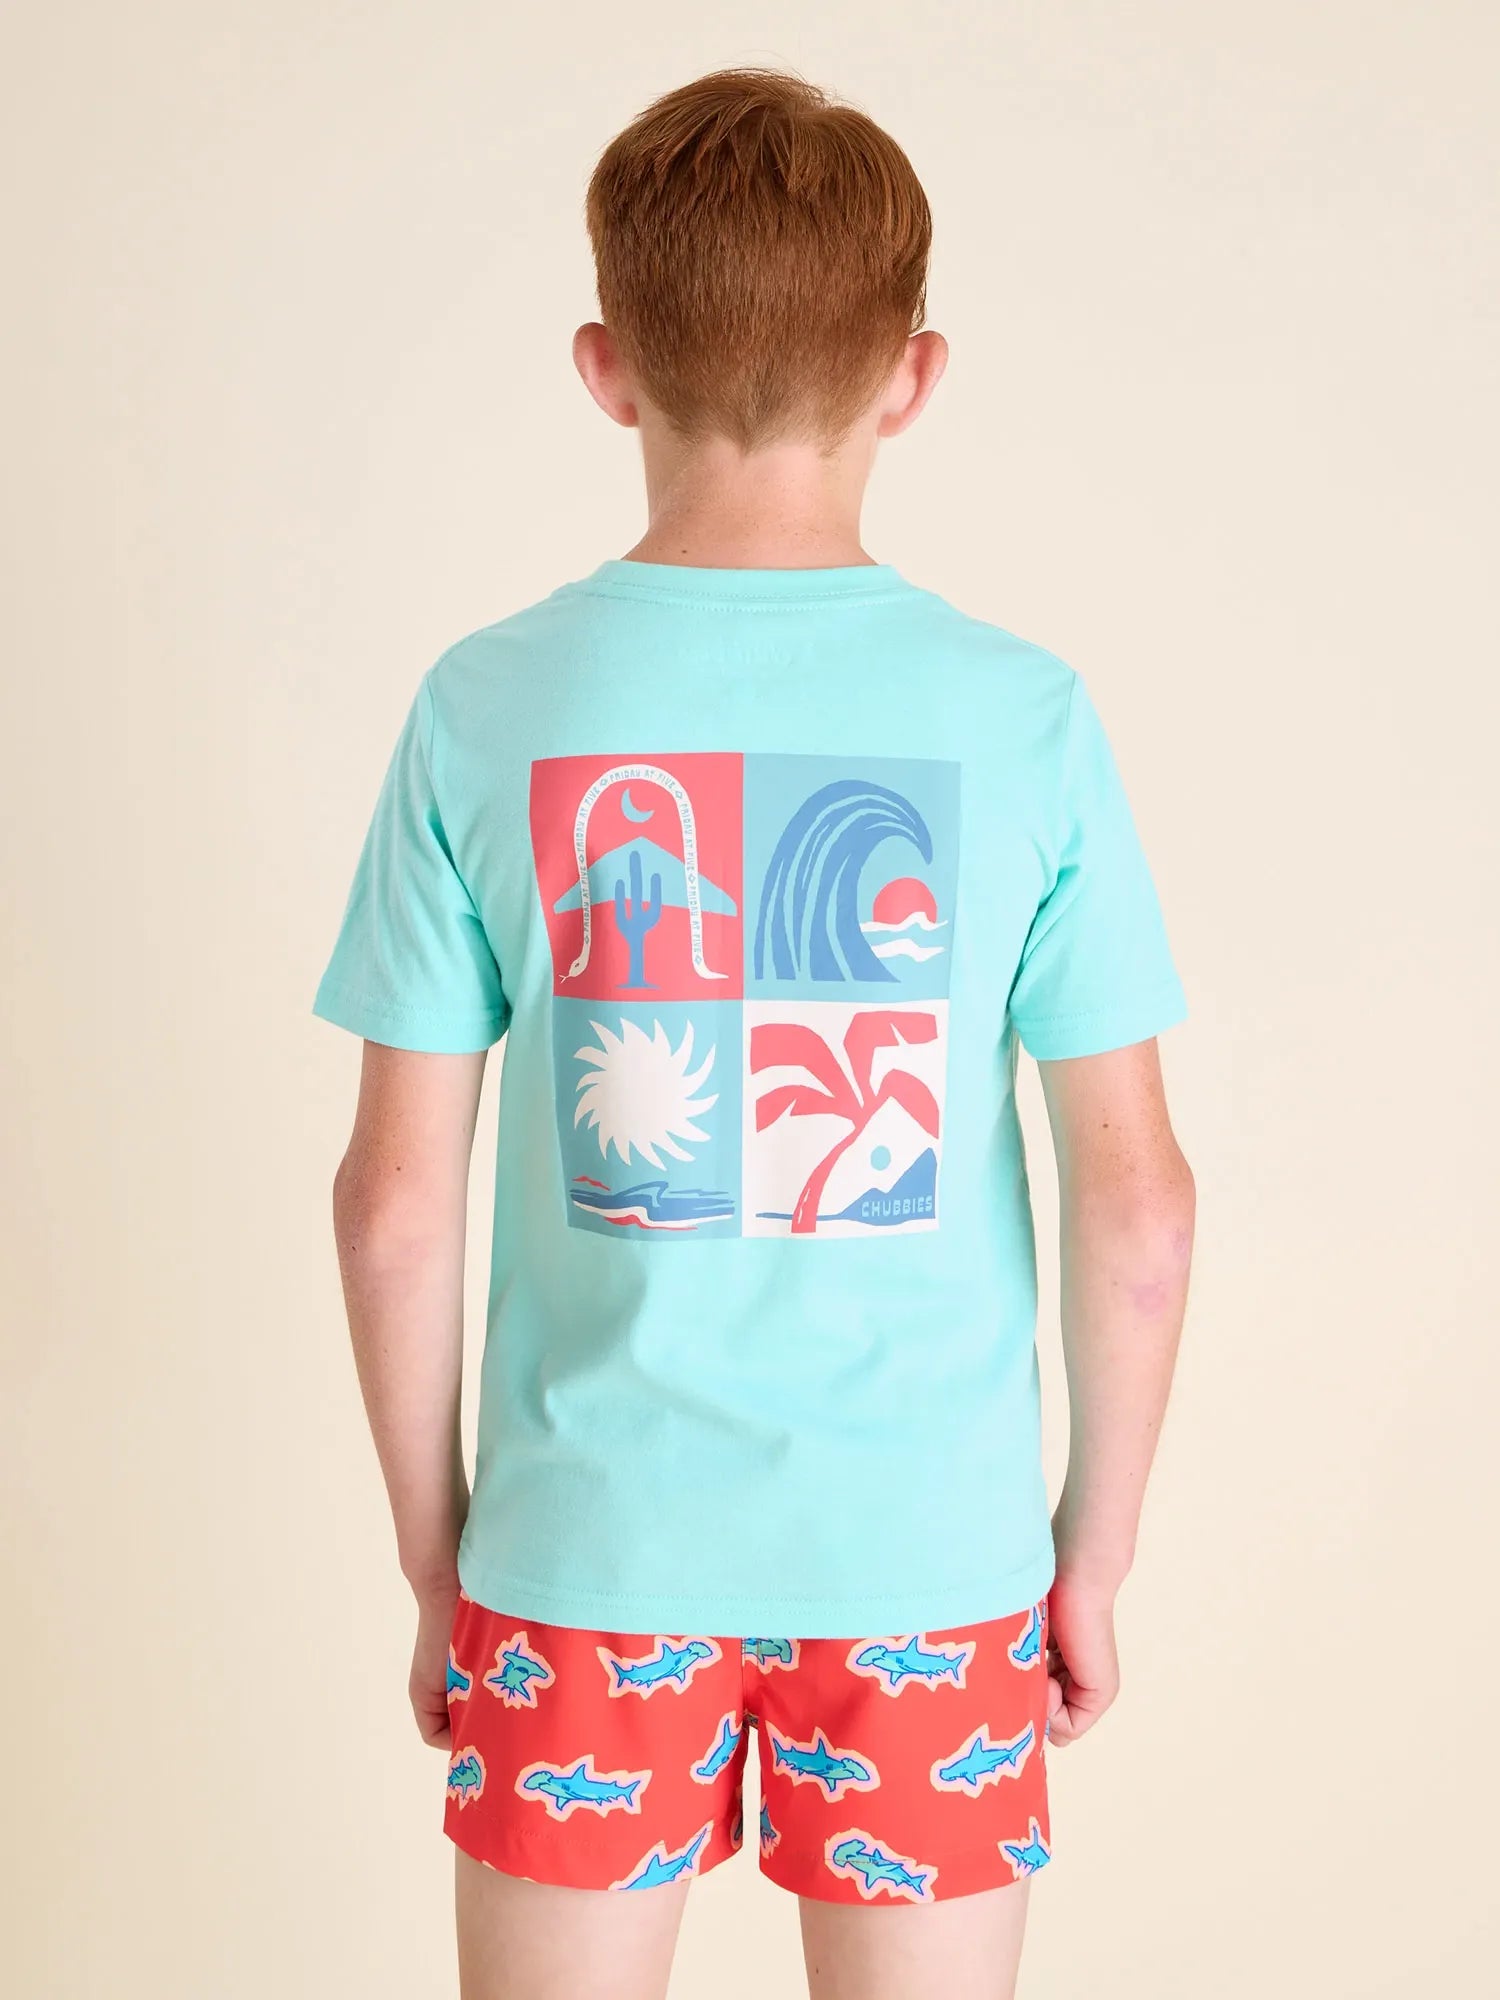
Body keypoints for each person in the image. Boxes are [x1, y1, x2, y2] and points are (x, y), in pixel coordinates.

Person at [315, 67, 1195, 2000]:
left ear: (606, 366)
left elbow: (392, 1207)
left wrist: (441, 1563)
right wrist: (1092, 1558)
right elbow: (1140, 1213)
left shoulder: (484, 708)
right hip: (932, 1568)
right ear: (914, 376)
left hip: (580, 1559)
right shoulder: (1026, 720)